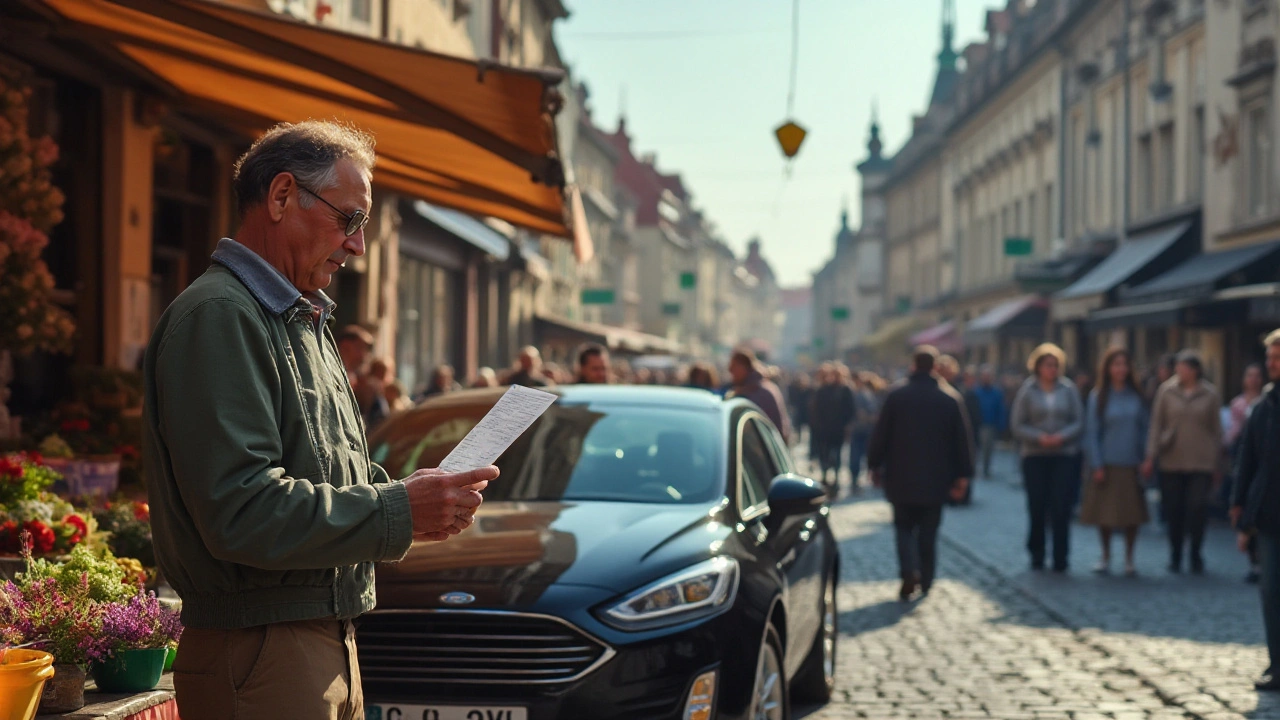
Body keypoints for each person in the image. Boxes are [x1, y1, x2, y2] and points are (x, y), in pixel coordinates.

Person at [140, 120, 498, 720]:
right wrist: (398, 509)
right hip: (263, 651)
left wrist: (411, 499)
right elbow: (243, 511)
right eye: (350, 219)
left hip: (309, 642)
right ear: (281, 197)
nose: (358, 246)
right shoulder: (223, 315)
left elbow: (319, 476)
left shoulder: (294, 316)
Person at [867, 346, 973, 601]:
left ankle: (908, 571)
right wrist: (962, 476)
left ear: (913, 365)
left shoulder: (896, 396)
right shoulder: (949, 398)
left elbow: (880, 434)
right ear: (935, 367)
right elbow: (963, 441)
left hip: (901, 475)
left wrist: (874, 465)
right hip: (936, 479)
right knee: (929, 531)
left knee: (903, 527)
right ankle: (925, 578)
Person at [1144, 350, 1223, 574]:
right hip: (1172, 459)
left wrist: (1218, 462)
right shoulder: (1166, 391)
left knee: (1197, 507)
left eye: (1184, 367)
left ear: (1195, 370)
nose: (1179, 370)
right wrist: (1151, 455)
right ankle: (1176, 553)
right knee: (1174, 508)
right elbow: (1156, 424)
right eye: (1177, 366)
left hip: (1201, 460)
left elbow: (1217, 430)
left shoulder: (1210, 393)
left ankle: (1196, 552)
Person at [1231, 330, 1280, 691]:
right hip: (1269, 514)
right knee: (1271, 591)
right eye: (1269, 358)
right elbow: (1247, 459)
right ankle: (1277, 665)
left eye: (1277, 358)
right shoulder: (1263, 407)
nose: (1272, 365)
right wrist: (1237, 503)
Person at [1011, 343, 1084, 573]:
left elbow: (1079, 420)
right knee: (1037, 505)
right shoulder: (1028, 390)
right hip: (1035, 456)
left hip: (1063, 455)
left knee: (1061, 505)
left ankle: (1061, 556)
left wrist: (1062, 436)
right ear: (1038, 367)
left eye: (1055, 365)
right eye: (1047, 365)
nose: (1052, 369)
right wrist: (1038, 437)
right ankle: (1037, 552)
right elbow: (1017, 424)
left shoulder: (1068, 389)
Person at [1080, 347, 1150, 576]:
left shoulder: (1137, 396)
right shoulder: (1098, 396)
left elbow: (1144, 428)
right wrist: (1097, 464)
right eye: (1116, 364)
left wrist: (1146, 457)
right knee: (1105, 514)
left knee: (1132, 514)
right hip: (1107, 463)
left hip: (1131, 462)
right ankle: (1105, 555)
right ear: (1108, 368)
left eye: (1124, 364)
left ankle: (1130, 558)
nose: (1120, 369)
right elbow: (1092, 432)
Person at [1229, 363, 1266, 583]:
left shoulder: (1269, 401)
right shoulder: (1238, 404)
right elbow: (1232, 433)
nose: (1253, 379)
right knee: (1249, 510)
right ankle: (1254, 560)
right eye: (1249, 375)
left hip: (1265, 465)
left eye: (1256, 376)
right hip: (1245, 460)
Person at [727, 348, 792, 442]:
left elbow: (776, 430)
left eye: (733, 367)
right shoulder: (743, 389)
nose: (730, 371)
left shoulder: (762, 392)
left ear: (743, 367)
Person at [336, 325, 389, 431]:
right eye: (361, 348)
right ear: (346, 346)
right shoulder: (332, 372)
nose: (366, 355)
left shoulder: (362, 380)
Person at [810, 364, 854, 489]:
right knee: (824, 452)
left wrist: (847, 425)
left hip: (838, 429)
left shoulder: (845, 390)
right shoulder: (823, 390)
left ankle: (835, 476)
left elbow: (850, 410)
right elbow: (817, 409)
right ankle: (825, 474)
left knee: (837, 453)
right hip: (825, 429)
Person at [973, 366, 1007, 478]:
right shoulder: (975, 392)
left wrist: (1001, 425)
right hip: (978, 425)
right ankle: (975, 468)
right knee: (977, 448)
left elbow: (1000, 409)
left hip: (990, 424)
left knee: (988, 449)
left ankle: (986, 469)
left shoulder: (996, 392)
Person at [848, 372, 879, 493]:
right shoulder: (857, 394)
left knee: (860, 456)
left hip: (864, 430)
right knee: (857, 457)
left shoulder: (864, 394)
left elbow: (870, 413)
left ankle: (861, 480)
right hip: (859, 430)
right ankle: (856, 481)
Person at [788, 373, 814, 447]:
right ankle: (799, 439)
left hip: (806, 412)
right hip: (799, 411)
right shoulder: (795, 389)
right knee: (798, 426)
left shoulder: (809, 390)